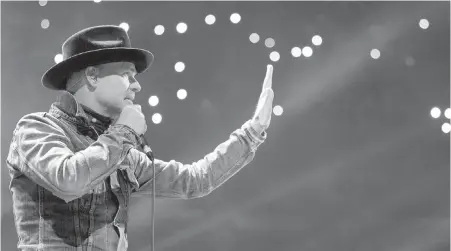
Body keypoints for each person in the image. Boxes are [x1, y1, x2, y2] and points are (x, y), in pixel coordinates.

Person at [6, 25, 274, 251]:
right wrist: (124, 131)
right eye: (126, 75)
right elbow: (68, 180)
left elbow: (193, 180)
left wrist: (251, 132)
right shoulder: (36, 129)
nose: (137, 85)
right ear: (92, 75)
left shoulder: (121, 152)